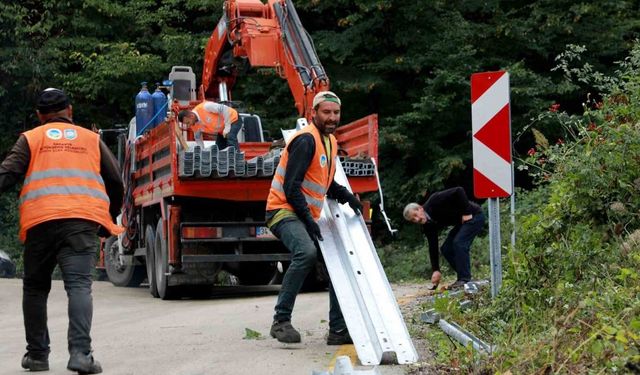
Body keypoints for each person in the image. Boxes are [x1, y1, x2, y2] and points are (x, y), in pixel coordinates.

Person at [0, 88, 124, 374]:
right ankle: (80, 355)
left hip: (40, 221)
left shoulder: (30, 138)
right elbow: (115, 180)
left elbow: (6, 175)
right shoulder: (91, 139)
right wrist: (108, 216)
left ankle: (37, 356)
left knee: (35, 288)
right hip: (82, 223)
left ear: (39, 115)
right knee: (79, 286)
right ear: (70, 110)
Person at [265, 91, 363, 344]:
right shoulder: (306, 140)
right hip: (282, 210)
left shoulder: (329, 141)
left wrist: (347, 197)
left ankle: (338, 331)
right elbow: (291, 186)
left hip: (303, 214)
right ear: (314, 113)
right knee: (306, 253)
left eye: (336, 113)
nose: (332, 117)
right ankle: (281, 321)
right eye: (326, 112)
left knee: (337, 265)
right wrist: (309, 221)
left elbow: (325, 183)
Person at [403, 187, 485, 290]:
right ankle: (464, 276)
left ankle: (464, 279)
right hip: (462, 222)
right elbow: (433, 245)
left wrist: (466, 213)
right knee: (446, 249)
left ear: (420, 208)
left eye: (415, 215)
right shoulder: (427, 225)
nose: (417, 219)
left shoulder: (435, 200)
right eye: (413, 220)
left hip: (474, 216)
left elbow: (459, 190)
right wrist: (436, 270)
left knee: (458, 242)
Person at [177, 101, 241, 151]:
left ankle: (238, 162)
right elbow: (198, 139)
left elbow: (224, 109)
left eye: (188, 122)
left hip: (233, 119)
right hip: (222, 130)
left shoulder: (205, 107)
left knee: (231, 138)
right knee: (218, 148)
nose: (189, 126)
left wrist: (227, 127)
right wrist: (202, 151)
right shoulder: (194, 125)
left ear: (191, 116)